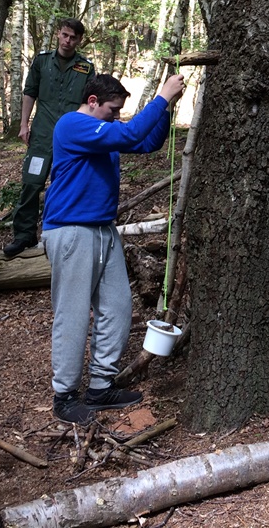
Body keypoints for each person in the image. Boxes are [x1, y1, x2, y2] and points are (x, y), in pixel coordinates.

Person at [43, 72, 185, 425]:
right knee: (73, 315)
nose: (116, 117)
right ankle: (64, 396)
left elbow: (146, 143)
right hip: (71, 230)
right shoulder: (71, 125)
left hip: (104, 229)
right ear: (92, 102)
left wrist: (166, 111)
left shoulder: (101, 133)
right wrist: (162, 97)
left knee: (118, 308)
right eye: (112, 110)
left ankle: (101, 386)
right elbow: (131, 133)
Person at [5, 19, 95, 258]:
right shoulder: (42, 61)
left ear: (79, 40)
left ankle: (61, 234)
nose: (68, 41)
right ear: (58, 34)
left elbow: (90, 104)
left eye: (73, 37)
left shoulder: (86, 68)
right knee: (32, 182)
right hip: (42, 134)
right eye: (64, 35)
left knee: (66, 184)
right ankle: (24, 235)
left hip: (71, 138)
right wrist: (24, 124)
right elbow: (30, 92)